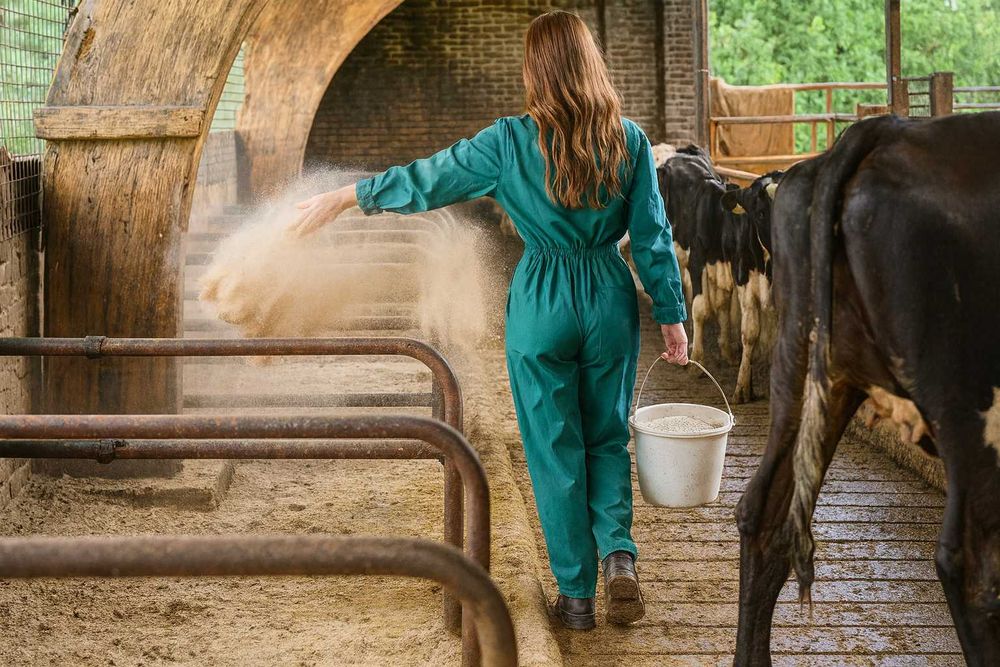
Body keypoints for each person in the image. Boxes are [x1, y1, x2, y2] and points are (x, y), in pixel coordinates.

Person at [289, 10, 688, 631]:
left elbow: (430, 178)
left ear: (536, 70)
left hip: (541, 300)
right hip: (608, 295)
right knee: (607, 435)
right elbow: (653, 237)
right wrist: (671, 316)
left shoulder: (507, 141)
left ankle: (576, 599)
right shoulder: (630, 140)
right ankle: (618, 558)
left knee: (554, 449)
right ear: (591, 64)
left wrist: (349, 197)